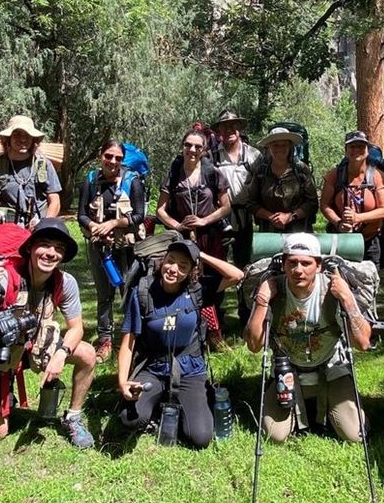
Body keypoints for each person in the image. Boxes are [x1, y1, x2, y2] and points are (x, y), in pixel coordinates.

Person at [0, 217, 99, 449]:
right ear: (30, 247)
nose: (51, 253)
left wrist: (61, 354)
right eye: (45, 245)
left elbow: (77, 328)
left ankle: (73, 417)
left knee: (88, 354)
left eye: (59, 249)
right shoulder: (2, 277)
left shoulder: (65, 282)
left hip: (36, 347)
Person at [112, 236, 243, 449]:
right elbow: (128, 342)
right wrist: (123, 382)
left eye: (183, 266)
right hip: (153, 368)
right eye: (170, 260)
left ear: (191, 271)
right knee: (130, 418)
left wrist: (200, 255)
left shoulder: (197, 290)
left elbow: (236, 275)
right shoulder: (143, 292)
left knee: (200, 437)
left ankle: (188, 401)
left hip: (190, 369)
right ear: (162, 260)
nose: (173, 269)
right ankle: (160, 402)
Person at [245, 232, 374, 443]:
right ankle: (304, 408)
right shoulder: (273, 290)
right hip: (287, 370)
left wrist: (348, 299)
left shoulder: (331, 289)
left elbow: (363, 343)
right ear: (283, 264)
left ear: (319, 265)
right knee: (274, 436)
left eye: (306, 263)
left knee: (355, 436)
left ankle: (330, 407)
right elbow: (253, 345)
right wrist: (262, 299)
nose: (298, 270)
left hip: (331, 369)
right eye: (292, 263)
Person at [157, 126, 233, 350]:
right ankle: (185, 330)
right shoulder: (173, 172)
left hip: (210, 237)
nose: (192, 149)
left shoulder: (213, 172)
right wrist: (177, 225)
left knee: (211, 283)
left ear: (204, 149)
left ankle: (214, 333)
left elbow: (227, 206)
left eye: (197, 146)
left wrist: (204, 221)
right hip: (182, 239)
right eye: (188, 145)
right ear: (182, 147)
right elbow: (160, 210)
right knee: (185, 281)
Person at [78, 139, 148, 357]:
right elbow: (81, 214)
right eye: (108, 156)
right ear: (101, 156)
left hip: (125, 248)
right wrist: (94, 227)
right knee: (103, 294)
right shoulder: (90, 180)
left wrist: (114, 223)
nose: (112, 161)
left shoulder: (132, 181)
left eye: (118, 158)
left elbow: (139, 216)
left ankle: (131, 339)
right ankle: (105, 340)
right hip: (99, 247)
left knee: (128, 292)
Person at [210, 109, 262, 326]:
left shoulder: (254, 155)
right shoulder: (211, 156)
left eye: (233, 125)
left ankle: (246, 314)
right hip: (219, 220)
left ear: (239, 128)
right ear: (219, 131)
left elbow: (262, 185)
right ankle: (214, 315)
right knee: (218, 266)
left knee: (246, 266)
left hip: (245, 218)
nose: (229, 130)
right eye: (225, 126)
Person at [320, 130, 384, 269]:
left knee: (368, 280)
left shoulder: (377, 176)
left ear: (367, 150)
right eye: (352, 147)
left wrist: (357, 218)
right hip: (341, 239)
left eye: (361, 146)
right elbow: (324, 205)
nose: (356, 150)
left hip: (370, 239)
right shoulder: (334, 175)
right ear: (346, 150)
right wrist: (338, 222)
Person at [0, 115, 63, 229]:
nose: (22, 139)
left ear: (33, 139)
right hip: (5, 230)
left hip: (37, 228)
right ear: (8, 138)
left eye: (27, 135)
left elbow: (55, 200)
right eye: (17, 134)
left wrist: (44, 226)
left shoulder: (44, 165)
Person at [244, 126, 317, 238]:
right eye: (275, 145)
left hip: (299, 231)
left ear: (290, 147)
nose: (280, 149)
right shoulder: (261, 172)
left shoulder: (301, 170)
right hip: (268, 231)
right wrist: (271, 217)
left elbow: (312, 203)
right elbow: (251, 203)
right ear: (269, 147)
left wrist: (290, 217)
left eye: (284, 145)